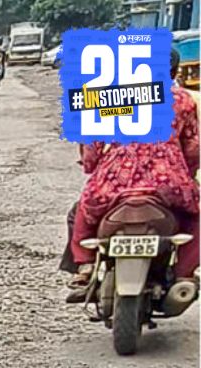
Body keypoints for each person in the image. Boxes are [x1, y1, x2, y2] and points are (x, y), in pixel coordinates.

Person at [67, 48, 200, 294]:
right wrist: (187, 176)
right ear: (173, 72)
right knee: (196, 217)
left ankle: (85, 265)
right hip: (167, 183)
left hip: (115, 181)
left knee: (83, 211)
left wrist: (91, 166)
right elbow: (192, 148)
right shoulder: (182, 100)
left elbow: (92, 144)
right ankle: (185, 274)